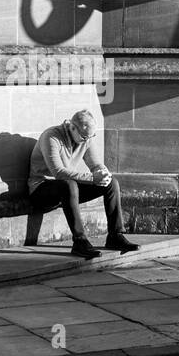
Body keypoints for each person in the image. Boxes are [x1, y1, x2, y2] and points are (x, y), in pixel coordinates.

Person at [28, 110, 141, 258]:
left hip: (68, 190)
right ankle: (80, 241)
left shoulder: (85, 138)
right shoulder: (51, 137)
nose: (87, 139)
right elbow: (59, 173)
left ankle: (115, 236)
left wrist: (103, 174)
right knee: (69, 184)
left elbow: (95, 165)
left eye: (91, 136)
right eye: (84, 136)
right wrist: (93, 178)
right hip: (41, 189)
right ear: (72, 127)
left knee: (111, 183)